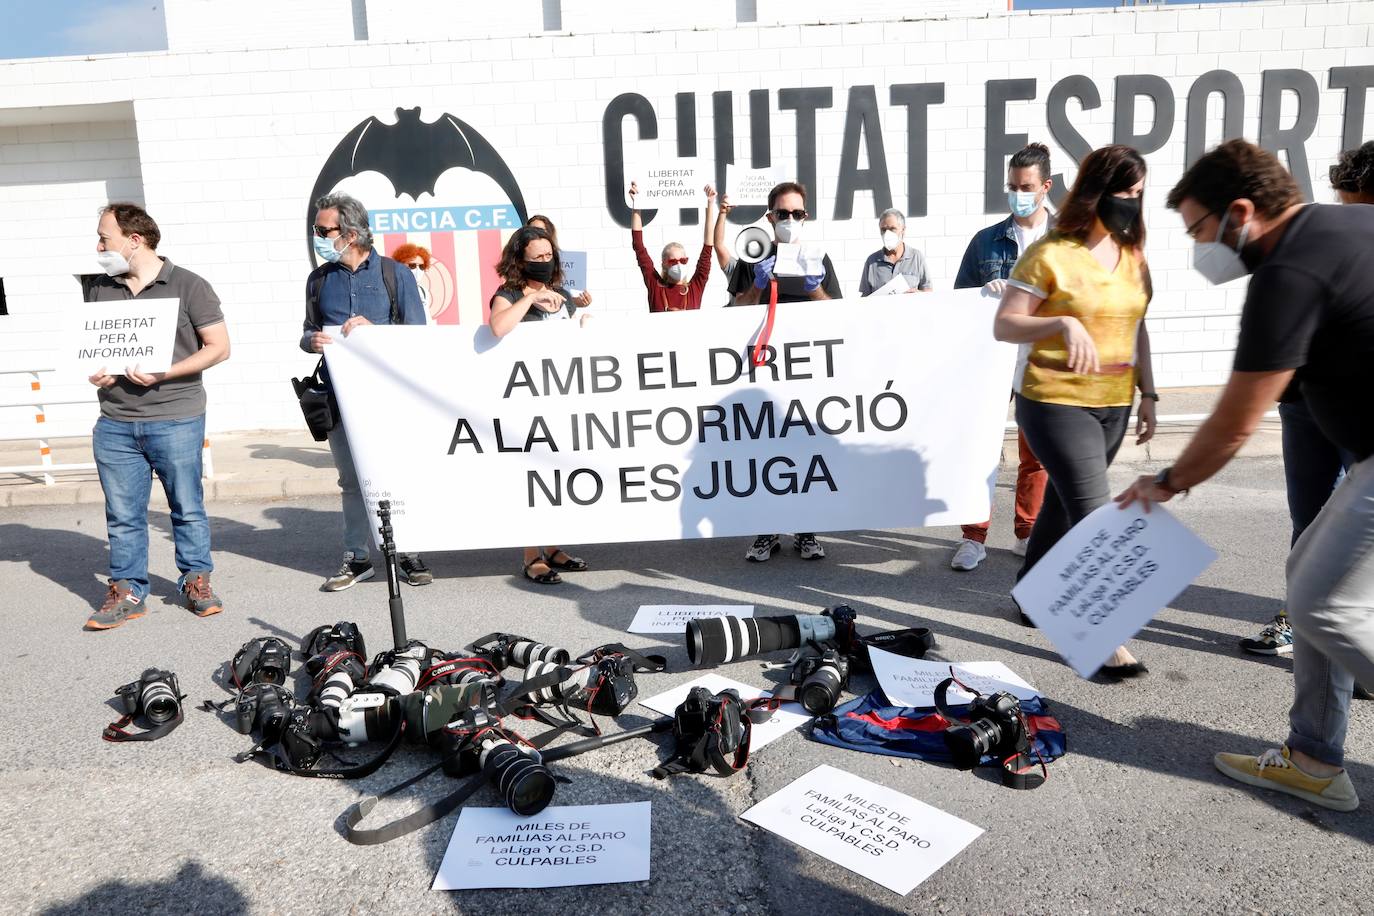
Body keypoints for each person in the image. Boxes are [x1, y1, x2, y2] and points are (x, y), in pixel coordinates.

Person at [1117, 139, 1374, 812]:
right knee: (1306, 580)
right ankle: (1314, 759)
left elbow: (1235, 422)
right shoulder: (1347, 225)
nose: (1202, 247)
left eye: (1200, 230)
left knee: (1324, 603)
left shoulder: (1288, 271)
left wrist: (1164, 482)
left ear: (1241, 212)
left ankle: (1315, 756)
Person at [994, 144, 1157, 680]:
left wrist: (1149, 394)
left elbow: (1137, 324)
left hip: (1113, 402)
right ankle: (1099, 637)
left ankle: (1029, 594)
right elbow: (1006, 324)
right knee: (1094, 515)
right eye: (1124, 193)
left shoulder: (1132, 255)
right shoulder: (1050, 254)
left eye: (1139, 193)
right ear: (1095, 192)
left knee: (1064, 506)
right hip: (1054, 401)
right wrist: (1059, 324)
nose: (1133, 203)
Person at [84, 203, 231, 630]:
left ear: (135, 239)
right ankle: (128, 591)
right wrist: (101, 375)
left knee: (186, 507)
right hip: (115, 422)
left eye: (104, 237)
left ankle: (196, 580)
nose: (98, 246)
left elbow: (219, 347)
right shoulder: (100, 289)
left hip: (176, 418)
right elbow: (102, 351)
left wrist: (165, 372)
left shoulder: (189, 285)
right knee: (123, 513)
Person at [301, 193, 432, 592]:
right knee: (351, 481)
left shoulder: (395, 274)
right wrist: (313, 341)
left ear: (352, 232)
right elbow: (306, 332)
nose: (319, 237)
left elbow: (418, 335)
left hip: (386, 396)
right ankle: (357, 558)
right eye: (317, 231)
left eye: (325, 231)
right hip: (339, 396)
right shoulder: (319, 279)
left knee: (396, 475)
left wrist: (378, 335)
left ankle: (407, 552)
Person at [948, 142, 1054, 571]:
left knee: (1037, 453)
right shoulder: (987, 242)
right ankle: (973, 537)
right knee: (980, 449)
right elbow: (957, 300)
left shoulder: (1067, 239)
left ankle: (1027, 533)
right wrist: (981, 295)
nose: (1017, 194)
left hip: (1043, 358)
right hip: (993, 358)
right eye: (1011, 186)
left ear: (1045, 187)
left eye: (1026, 186)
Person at [724, 181, 841, 562]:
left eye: (797, 214)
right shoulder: (753, 255)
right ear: (770, 216)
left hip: (806, 372)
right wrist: (757, 286)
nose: (790, 220)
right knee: (766, 451)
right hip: (763, 371)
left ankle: (806, 532)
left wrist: (814, 288)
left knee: (805, 449)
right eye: (783, 213)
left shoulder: (816, 257)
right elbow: (736, 312)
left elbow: (837, 314)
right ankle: (766, 531)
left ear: (805, 217)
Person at [489, 225, 590, 585]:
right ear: (521, 261)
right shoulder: (508, 294)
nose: (546, 263)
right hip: (526, 401)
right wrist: (529, 300)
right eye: (538, 258)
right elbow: (498, 328)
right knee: (533, 477)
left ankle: (554, 546)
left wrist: (585, 323)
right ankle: (531, 556)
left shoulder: (563, 294)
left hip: (560, 398)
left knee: (557, 476)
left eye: (550, 257)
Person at [628, 181, 715, 311]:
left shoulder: (694, 287)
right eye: (673, 261)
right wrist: (637, 205)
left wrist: (710, 205)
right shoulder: (656, 286)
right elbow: (638, 246)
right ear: (664, 264)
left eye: (683, 260)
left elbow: (708, 247)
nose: (679, 265)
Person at [856, 208, 932, 295]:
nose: (887, 234)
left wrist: (917, 293)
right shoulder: (872, 261)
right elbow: (864, 298)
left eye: (892, 229)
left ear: (903, 230)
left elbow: (928, 291)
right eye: (883, 230)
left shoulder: (916, 257)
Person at [526, 214, 593, 310]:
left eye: (540, 231)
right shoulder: (519, 262)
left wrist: (577, 302)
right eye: (532, 231)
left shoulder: (555, 263)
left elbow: (557, 297)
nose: (536, 235)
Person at [393, 243, 433, 322]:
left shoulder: (423, 291)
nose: (418, 270)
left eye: (421, 266)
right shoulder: (393, 289)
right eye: (412, 265)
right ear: (400, 265)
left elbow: (427, 318)